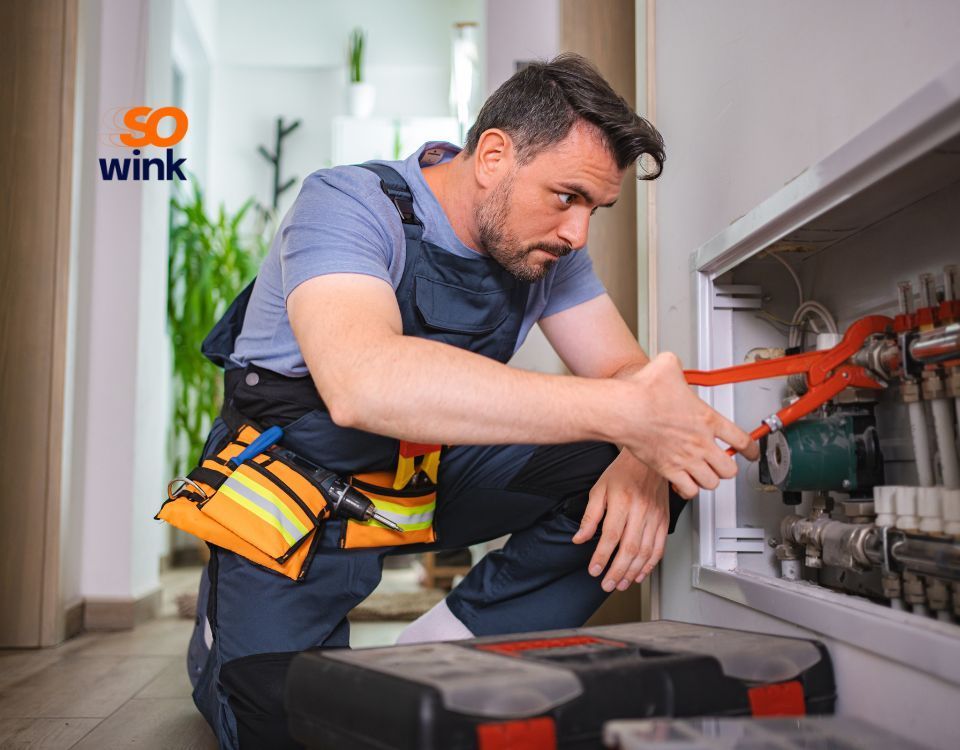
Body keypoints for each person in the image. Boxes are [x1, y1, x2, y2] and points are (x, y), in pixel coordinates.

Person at [185, 54, 758, 748]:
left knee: (650, 462)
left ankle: (440, 656)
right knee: (284, 726)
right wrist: (628, 413)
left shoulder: (548, 251)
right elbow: (363, 382)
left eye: (594, 209)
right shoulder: (347, 204)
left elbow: (627, 376)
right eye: (566, 196)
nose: (578, 233)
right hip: (292, 502)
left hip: (412, 486)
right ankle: (225, 642)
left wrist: (643, 448)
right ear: (492, 155)